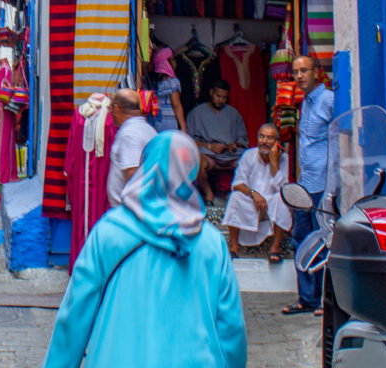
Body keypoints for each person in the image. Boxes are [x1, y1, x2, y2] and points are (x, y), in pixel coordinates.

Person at [43, 131, 248, 368]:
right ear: (191, 172)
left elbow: (75, 315)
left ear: (145, 166)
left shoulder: (110, 231)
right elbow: (231, 327)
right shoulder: (211, 243)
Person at [282, 55, 334, 316]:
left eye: (304, 70)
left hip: (322, 185)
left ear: (317, 72)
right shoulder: (305, 104)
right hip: (306, 184)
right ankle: (307, 299)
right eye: (295, 72)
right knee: (301, 240)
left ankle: (325, 301)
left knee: (323, 241)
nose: (299, 76)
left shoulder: (328, 100)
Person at [222, 123, 291, 261]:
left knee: (282, 200)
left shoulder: (283, 158)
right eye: (262, 137)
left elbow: (284, 191)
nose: (264, 142)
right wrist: (253, 193)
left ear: (277, 142)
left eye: (270, 138)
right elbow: (237, 184)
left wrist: (274, 162)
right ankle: (234, 247)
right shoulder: (249, 155)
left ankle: (275, 248)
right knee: (235, 197)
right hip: (251, 202)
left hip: (271, 204)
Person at [186, 80, 248, 204]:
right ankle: (209, 194)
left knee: (249, 161)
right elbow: (189, 141)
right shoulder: (197, 113)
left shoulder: (233, 113)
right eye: (218, 96)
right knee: (197, 163)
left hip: (231, 155)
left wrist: (235, 145)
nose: (221, 100)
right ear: (211, 93)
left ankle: (236, 195)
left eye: (224, 98)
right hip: (209, 155)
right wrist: (210, 146)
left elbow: (243, 139)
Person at [107, 89, 156, 208]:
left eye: (111, 107)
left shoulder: (130, 134)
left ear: (117, 108)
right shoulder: (147, 129)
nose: (110, 112)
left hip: (129, 211)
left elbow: (133, 175)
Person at [149, 46, 186, 132]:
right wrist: (183, 126)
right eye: (172, 59)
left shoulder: (153, 82)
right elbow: (176, 104)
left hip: (153, 120)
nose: (175, 62)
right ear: (166, 62)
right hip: (168, 121)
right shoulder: (173, 82)